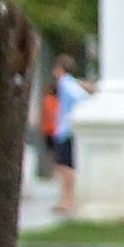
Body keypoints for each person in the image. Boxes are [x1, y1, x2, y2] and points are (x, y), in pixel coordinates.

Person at [49, 56, 95, 217]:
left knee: (65, 167)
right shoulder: (71, 82)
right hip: (64, 129)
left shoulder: (65, 82)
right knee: (63, 167)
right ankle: (64, 200)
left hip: (65, 130)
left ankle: (67, 201)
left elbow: (80, 98)